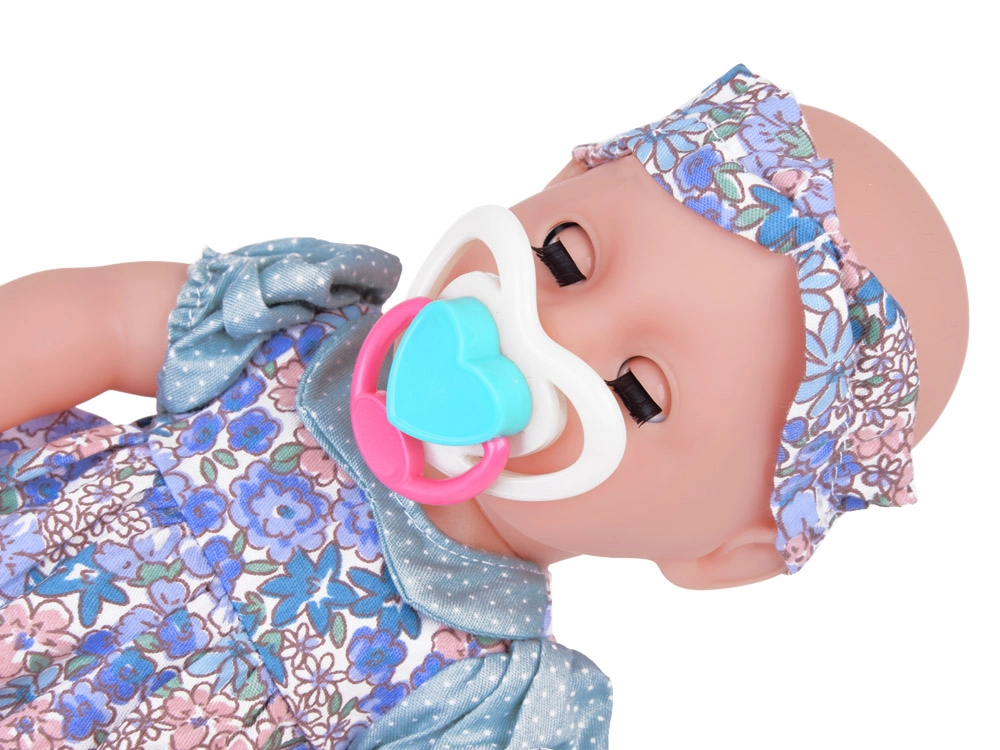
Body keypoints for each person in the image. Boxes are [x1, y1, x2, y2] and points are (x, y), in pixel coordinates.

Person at [0, 65, 967, 748]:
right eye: (566, 259)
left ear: (726, 554)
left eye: (637, 391)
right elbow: (99, 320)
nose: (539, 336)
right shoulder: (295, 333)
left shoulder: (479, 702)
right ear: (558, 183)